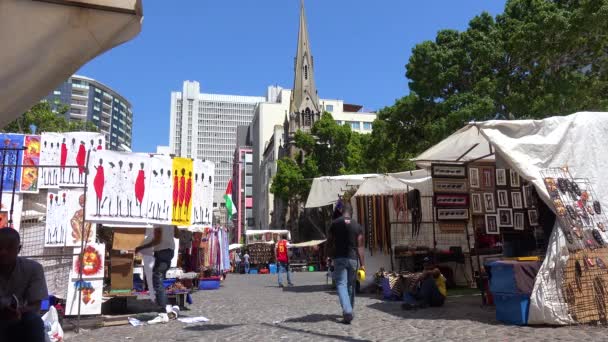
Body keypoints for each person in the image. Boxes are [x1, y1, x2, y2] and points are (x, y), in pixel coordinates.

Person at [0, 228, 47, 341]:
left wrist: (18, 312)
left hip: (22, 318)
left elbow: (36, 305)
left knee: (34, 322)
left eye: (9, 247)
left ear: (19, 249)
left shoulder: (33, 268)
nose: (3, 252)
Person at [326, 202, 365, 324]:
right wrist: (362, 264)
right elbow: (360, 246)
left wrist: (327, 256)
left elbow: (330, 242)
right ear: (351, 212)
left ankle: (347, 311)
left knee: (341, 284)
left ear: (342, 211)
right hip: (353, 259)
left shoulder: (335, 224)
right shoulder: (357, 226)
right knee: (350, 285)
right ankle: (349, 310)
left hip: (339, 258)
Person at [135, 225, 178, 311]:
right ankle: (164, 304)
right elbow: (177, 235)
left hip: (163, 252)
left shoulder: (159, 222)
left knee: (158, 278)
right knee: (158, 278)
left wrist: (142, 247)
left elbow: (157, 240)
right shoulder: (170, 221)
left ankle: (164, 306)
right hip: (169, 251)